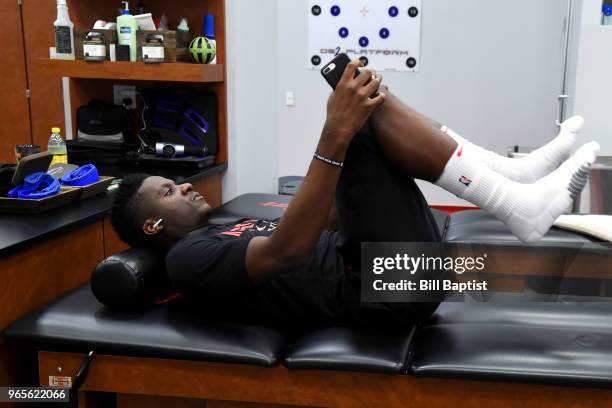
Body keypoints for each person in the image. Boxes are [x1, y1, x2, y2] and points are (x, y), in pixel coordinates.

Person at [111, 60, 599, 331]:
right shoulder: (188, 259)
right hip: (388, 290)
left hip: (394, 273)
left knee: (364, 112)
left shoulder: (218, 229)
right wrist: (333, 137)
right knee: (354, 124)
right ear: (153, 225)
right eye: (170, 191)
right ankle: (515, 199)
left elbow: (317, 228)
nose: (188, 186)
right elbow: (290, 250)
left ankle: (512, 176)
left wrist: (349, 160)